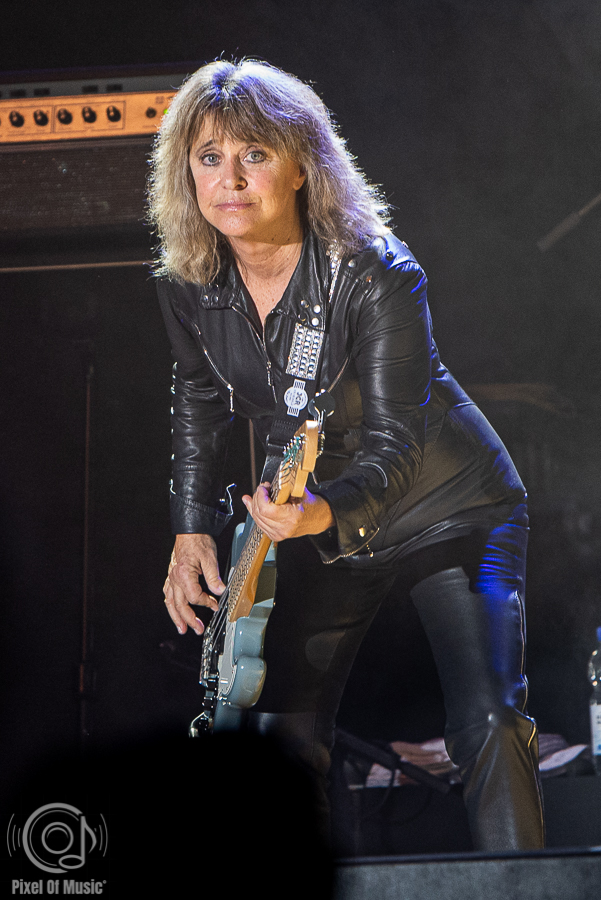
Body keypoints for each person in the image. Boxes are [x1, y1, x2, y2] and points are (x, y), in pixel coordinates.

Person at [149, 58, 545, 851]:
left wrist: (317, 513)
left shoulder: (375, 271)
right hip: (317, 512)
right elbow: (197, 395)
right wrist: (190, 528)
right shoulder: (188, 280)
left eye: (254, 155)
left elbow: (396, 443)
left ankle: (521, 885)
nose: (230, 179)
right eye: (209, 156)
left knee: (490, 720)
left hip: (447, 508)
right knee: (279, 730)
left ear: (301, 167)